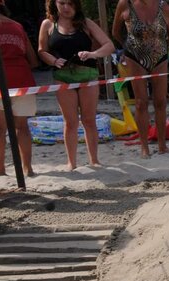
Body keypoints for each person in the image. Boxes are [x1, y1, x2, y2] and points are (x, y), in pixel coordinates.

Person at [37, 0, 115, 170]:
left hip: (87, 75)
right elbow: (42, 50)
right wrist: (54, 60)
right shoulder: (49, 24)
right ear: (54, 4)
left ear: (76, 5)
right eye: (62, 3)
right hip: (63, 76)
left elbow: (109, 45)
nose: (66, 8)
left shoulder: (86, 23)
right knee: (70, 121)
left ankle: (94, 160)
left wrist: (92, 54)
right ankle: (71, 162)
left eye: (70, 3)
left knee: (89, 119)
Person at [112, 0, 169, 157]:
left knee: (160, 101)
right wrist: (128, 47)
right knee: (141, 103)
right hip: (134, 55)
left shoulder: (163, 6)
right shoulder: (125, 4)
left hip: (159, 55)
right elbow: (116, 32)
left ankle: (162, 145)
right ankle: (144, 147)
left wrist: (159, 49)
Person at [0, 0, 38, 176]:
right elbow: (33, 59)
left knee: (0, 129)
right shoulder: (17, 26)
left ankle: (0, 169)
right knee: (22, 127)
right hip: (23, 79)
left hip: (0, 81)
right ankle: (27, 169)